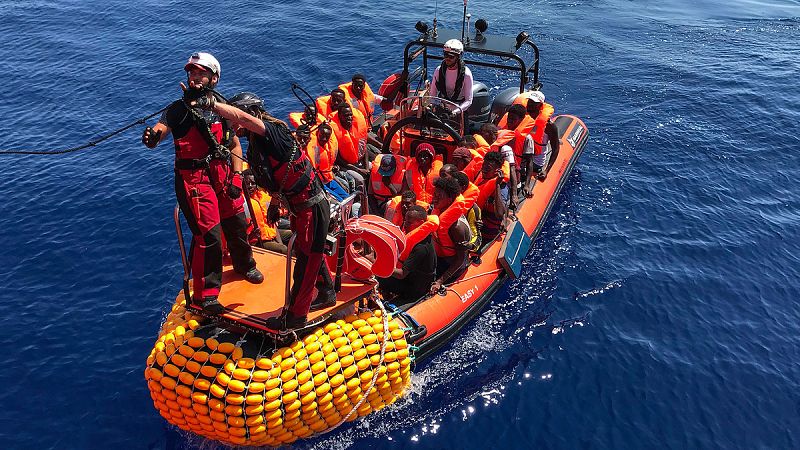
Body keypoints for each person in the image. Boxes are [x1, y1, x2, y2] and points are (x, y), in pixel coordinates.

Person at [194, 91, 336, 329]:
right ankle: (326, 290)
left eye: (236, 118)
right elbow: (284, 175)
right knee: (307, 251)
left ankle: (295, 316)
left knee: (306, 263)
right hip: (299, 206)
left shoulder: (273, 132)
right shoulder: (257, 145)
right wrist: (276, 203)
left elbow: (248, 121)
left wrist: (214, 105)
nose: (233, 125)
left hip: (312, 206)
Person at [141, 52, 262, 315]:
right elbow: (159, 133)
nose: (195, 77)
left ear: (214, 78)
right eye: (192, 73)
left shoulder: (221, 106)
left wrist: (238, 176)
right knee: (209, 235)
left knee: (238, 222)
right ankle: (206, 296)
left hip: (223, 174)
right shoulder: (177, 110)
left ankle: (245, 264)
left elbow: (233, 143)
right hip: (194, 181)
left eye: (201, 73)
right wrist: (151, 138)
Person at [375, 205, 436, 304]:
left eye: (409, 222)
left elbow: (401, 274)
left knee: (379, 276)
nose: (405, 225)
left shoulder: (421, 248)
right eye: (405, 221)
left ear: (420, 223)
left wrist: (375, 262)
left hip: (414, 288)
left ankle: (385, 299)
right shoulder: (422, 237)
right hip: (412, 278)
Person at [430, 177, 472, 294]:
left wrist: (440, 281)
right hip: (440, 258)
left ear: (450, 199)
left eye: (439, 196)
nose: (434, 198)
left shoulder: (457, 227)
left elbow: (461, 259)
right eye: (435, 194)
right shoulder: (438, 212)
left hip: (452, 265)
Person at [242, 169, 291, 254]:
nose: (250, 186)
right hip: (258, 241)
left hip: (271, 234)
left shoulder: (263, 198)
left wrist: (279, 242)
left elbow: (273, 224)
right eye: (247, 184)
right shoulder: (242, 202)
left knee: (292, 234)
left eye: (253, 183)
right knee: (284, 249)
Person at [429, 39, 474, 119]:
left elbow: (468, 101)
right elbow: (433, 94)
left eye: (451, 57)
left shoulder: (466, 74)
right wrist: (432, 106)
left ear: (458, 57)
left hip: (459, 110)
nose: (447, 59)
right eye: (445, 55)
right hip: (441, 107)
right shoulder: (439, 71)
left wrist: (454, 113)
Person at [475, 151, 509, 244]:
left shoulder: (501, 188)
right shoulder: (482, 180)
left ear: (497, 171)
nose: (484, 170)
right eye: (483, 166)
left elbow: (500, 214)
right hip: (476, 229)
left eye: (488, 168)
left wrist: (497, 185)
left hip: (488, 234)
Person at [525, 91, 560, 181]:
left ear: (540, 106)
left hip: (535, 161)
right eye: (529, 101)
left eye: (534, 103)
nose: (530, 104)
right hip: (522, 156)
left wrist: (546, 170)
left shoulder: (549, 126)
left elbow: (555, 149)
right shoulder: (523, 117)